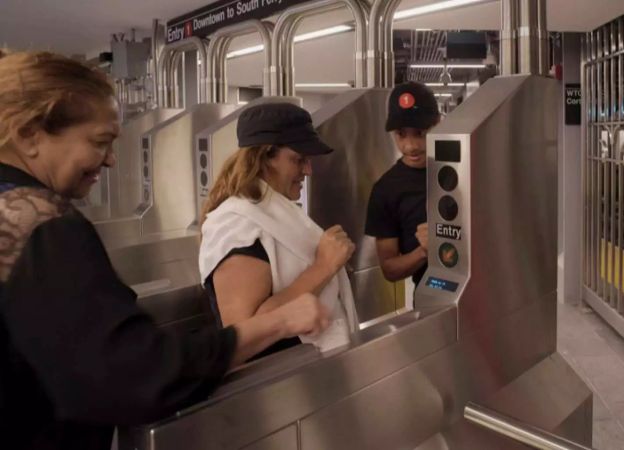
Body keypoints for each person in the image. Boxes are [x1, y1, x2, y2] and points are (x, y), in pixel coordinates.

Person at [0, 50, 330, 449]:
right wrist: (279, 321)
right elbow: (133, 375)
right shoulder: (44, 225)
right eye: (99, 142)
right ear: (29, 135)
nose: (110, 161)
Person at [199, 103, 358, 354]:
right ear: (264, 158)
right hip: (272, 383)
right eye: (298, 160)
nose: (308, 170)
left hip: (303, 374)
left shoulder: (276, 212)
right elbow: (243, 333)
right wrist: (323, 267)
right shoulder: (237, 226)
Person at [365, 82, 441, 287]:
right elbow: (389, 269)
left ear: (439, 124)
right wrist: (424, 250)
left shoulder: (463, 168)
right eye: (401, 134)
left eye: (420, 133)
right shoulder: (386, 190)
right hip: (432, 295)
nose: (410, 146)